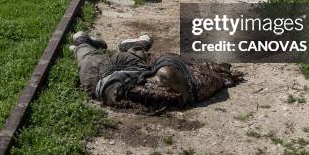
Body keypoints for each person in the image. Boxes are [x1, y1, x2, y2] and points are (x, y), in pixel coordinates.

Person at [71, 32, 243, 111]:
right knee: (88, 56)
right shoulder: (161, 90)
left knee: (87, 56)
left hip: (116, 73)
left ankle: (83, 40)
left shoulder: (162, 88)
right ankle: (82, 41)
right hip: (119, 73)